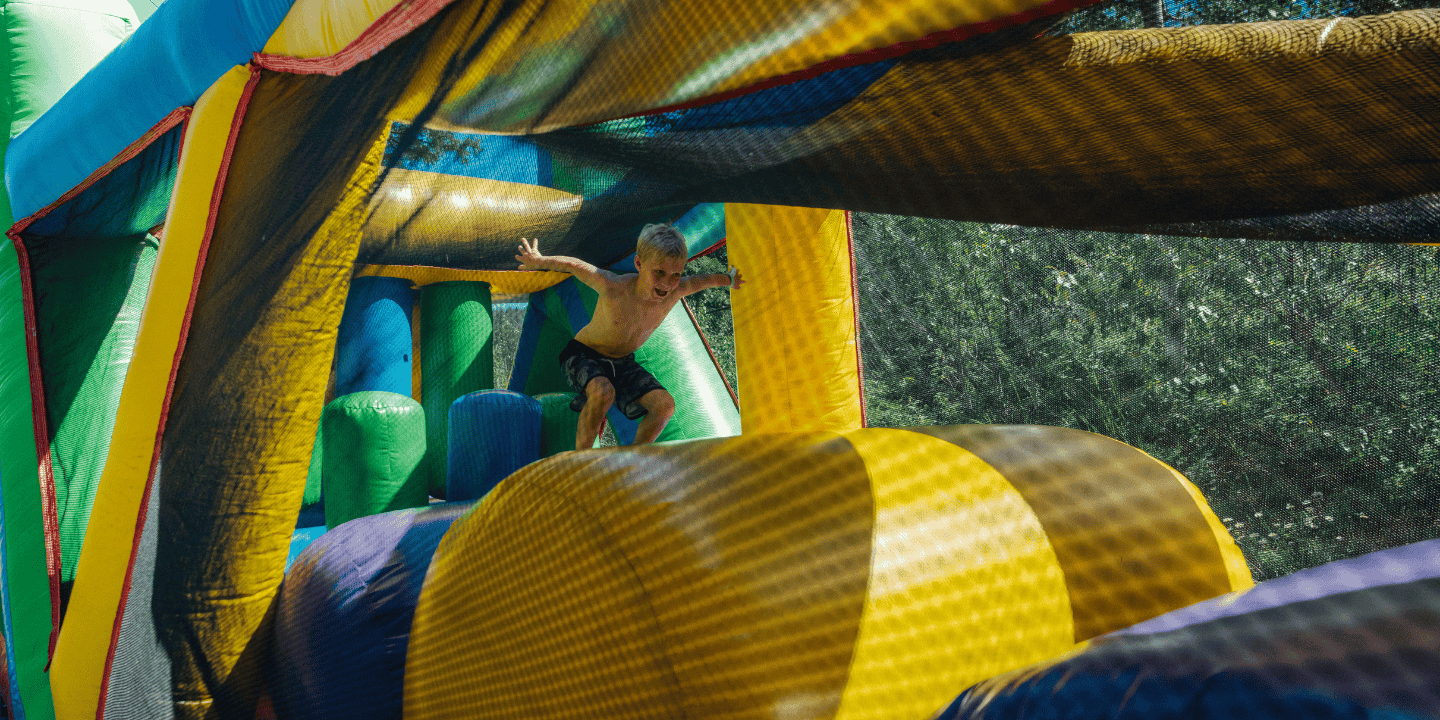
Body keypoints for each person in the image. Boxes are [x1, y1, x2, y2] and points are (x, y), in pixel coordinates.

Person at [515, 224, 743, 449]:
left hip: (622, 362)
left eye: (676, 275)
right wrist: (539, 261)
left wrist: (730, 279)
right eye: (659, 272)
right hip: (582, 355)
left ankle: (635, 456)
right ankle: (582, 456)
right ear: (639, 264)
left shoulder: (676, 291)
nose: (667, 283)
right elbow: (574, 266)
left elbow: (703, 280)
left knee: (664, 406)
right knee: (603, 392)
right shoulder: (613, 286)